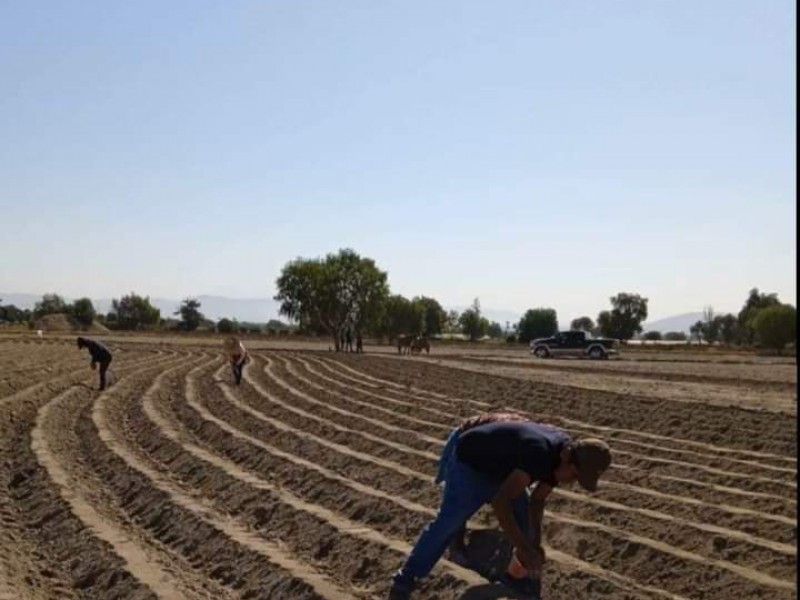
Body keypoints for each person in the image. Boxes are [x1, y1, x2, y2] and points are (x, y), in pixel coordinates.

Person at [389, 411, 612, 600]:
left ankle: (517, 579)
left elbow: (537, 500)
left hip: (504, 468)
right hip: (471, 462)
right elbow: (501, 503)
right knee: (449, 521)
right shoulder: (540, 453)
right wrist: (523, 546)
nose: (573, 482)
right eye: (575, 475)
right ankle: (405, 579)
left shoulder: (562, 457)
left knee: (524, 521)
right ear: (567, 459)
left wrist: (534, 543)